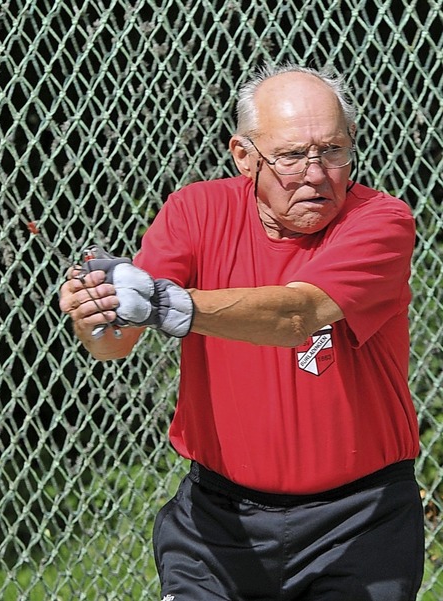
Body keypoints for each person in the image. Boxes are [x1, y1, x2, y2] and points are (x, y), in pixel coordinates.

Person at [59, 63, 424, 601]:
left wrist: (164, 303)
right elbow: (114, 344)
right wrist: (98, 313)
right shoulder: (197, 211)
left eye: (333, 151)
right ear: (244, 156)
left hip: (360, 521)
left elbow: (298, 314)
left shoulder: (380, 220)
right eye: (292, 156)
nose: (317, 174)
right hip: (219, 520)